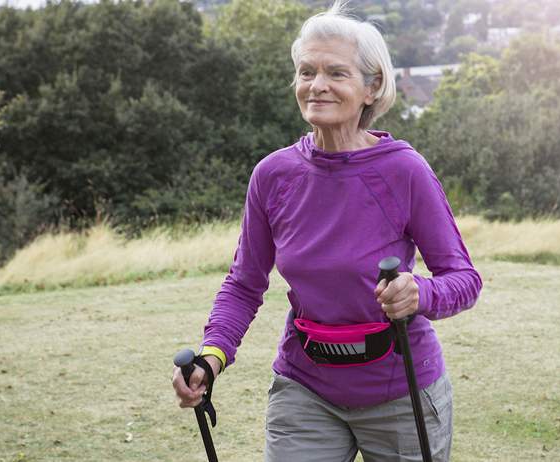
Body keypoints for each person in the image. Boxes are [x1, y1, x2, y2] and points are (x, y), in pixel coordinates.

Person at [172, 2, 482, 461]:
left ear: (371, 87)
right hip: (305, 388)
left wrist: (419, 293)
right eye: (306, 71)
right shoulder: (273, 175)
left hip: (401, 391)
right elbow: (244, 284)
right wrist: (213, 355)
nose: (317, 85)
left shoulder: (404, 171)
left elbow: (464, 278)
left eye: (336, 73)